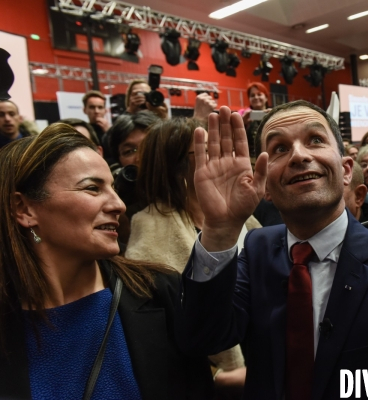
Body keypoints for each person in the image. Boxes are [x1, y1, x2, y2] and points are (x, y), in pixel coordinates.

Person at [178, 101, 368, 399]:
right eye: (279, 149)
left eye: (315, 140)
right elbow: (203, 338)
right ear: (265, 187)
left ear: (346, 170)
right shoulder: (256, 248)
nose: (299, 155)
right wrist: (220, 229)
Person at [0, 124, 214, 399]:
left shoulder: (159, 292)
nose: (118, 204)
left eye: (112, 188)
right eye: (92, 188)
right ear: (24, 209)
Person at [124, 117, 254, 397]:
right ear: (176, 164)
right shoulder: (149, 227)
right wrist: (219, 377)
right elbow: (159, 337)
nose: (221, 155)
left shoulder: (239, 213)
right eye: (208, 149)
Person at [239, 82, 271, 159]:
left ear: (266, 97)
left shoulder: (273, 113)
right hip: (248, 159)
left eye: (259, 94)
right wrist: (242, 123)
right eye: (252, 95)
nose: (256, 97)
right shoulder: (242, 114)